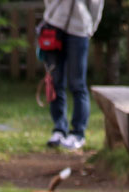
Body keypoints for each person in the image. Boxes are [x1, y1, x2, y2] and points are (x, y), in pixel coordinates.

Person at [41, 0, 104, 151]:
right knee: (55, 82)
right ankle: (59, 129)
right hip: (54, 25)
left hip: (79, 30)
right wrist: (51, 14)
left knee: (77, 84)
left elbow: (96, 4)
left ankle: (77, 133)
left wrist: (90, 27)